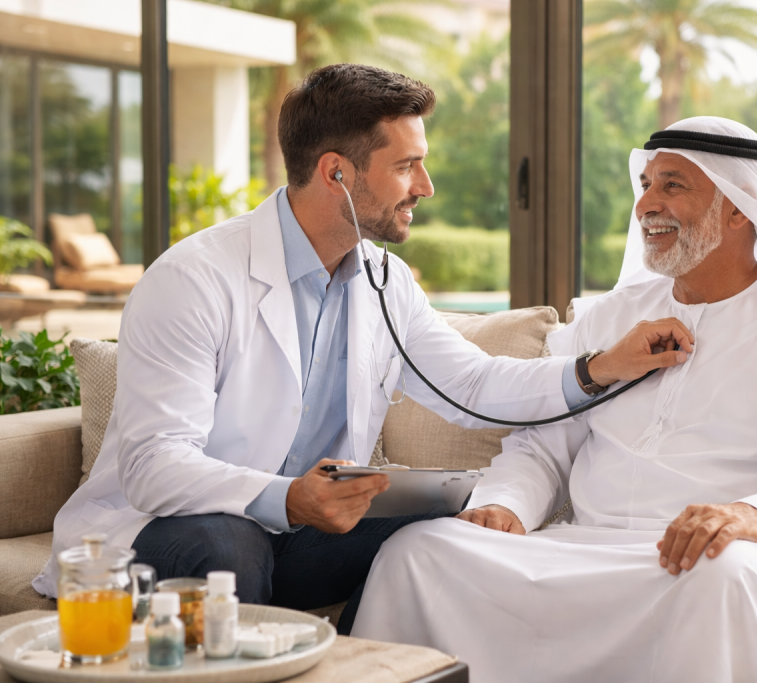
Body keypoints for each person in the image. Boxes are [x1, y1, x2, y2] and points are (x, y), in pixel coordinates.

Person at [32, 64, 693, 633]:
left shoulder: (383, 280)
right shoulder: (193, 280)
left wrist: (600, 367)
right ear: (337, 173)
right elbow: (154, 467)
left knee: (448, 527)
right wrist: (289, 497)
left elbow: (474, 385)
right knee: (226, 544)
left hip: (298, 540)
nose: (425, 186)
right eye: (406, 166)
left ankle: (359, 663)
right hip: (164, 531)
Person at [350, 117, 757, 682]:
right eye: (646, 185)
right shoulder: (611, 315)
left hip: (730, 556)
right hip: (588, 546)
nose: (646, 206)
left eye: (672, 186)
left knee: (719, 576)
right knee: (417, 551)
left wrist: (750, 516)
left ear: (738, 208)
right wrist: (506, 505)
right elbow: (542, 446)